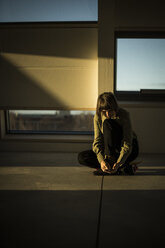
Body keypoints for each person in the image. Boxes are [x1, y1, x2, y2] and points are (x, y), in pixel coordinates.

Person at [78, 92, 139, 175]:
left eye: (110, 110)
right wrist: (102, 161)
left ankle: (113, 166)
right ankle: (117, 167)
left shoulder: (124, 115)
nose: (107, 114)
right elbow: (98, 141)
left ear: (115, 108)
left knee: (108, 123)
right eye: (104, 111)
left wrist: (118, 162)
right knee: (82, 157)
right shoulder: (97, 117)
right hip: (108, 149)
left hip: (127, 149)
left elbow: (127, 142)